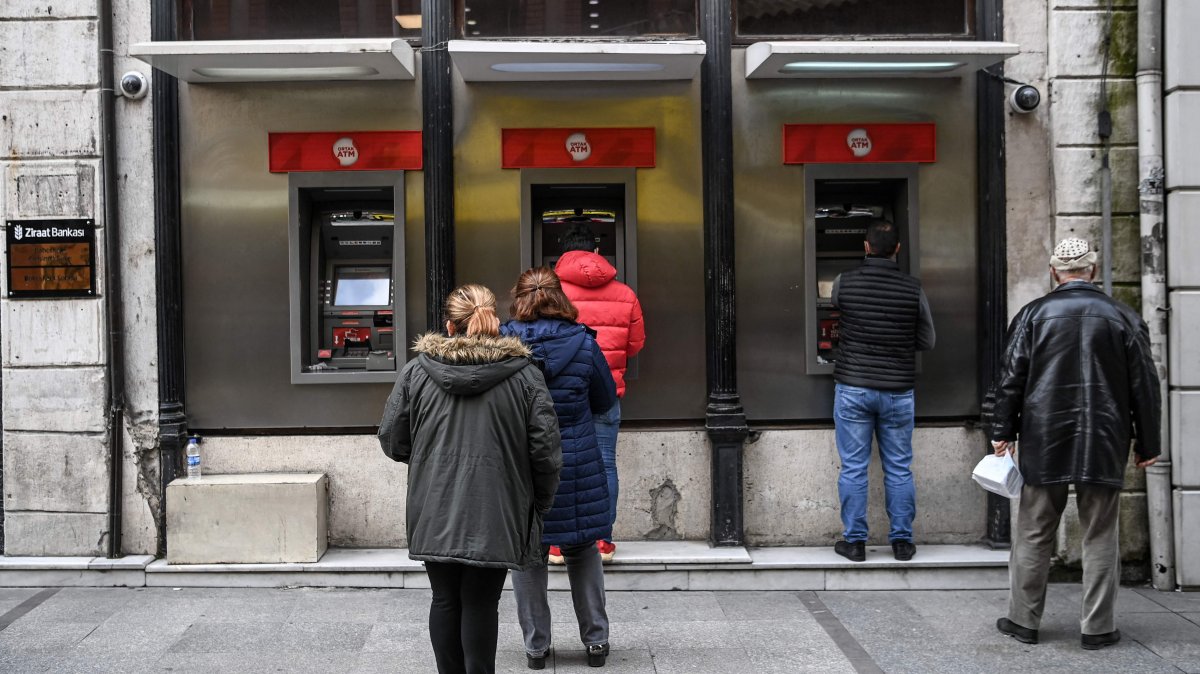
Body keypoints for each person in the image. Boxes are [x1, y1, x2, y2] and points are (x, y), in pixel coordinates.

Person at [377, 284, 563, 674]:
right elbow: (545, 451)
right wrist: (539, 503)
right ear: (495, 321)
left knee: (444, 599)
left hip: (434, 503)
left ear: (450, 325)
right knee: (481, 603)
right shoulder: (526, 376)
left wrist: (429, 461)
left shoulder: (417, 372)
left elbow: (393, 438)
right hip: (497, 507)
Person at [990, 237, 1161, 650]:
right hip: (1104, 438)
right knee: (1100, 533)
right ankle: (1098, 628)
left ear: (1054, 272)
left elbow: (1009, 379)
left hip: (1044, 438)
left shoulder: (1034, 314)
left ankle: (1023, 622)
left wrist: (1002, 431)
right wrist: (1148, 442)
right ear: (1093, 271)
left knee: (1033, 531)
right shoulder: (1122, 316)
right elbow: (1145, 386)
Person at [501, 267, 618, 669]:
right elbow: (604, 401)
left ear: (518, 299)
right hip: (574, 459)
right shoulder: (584, 344)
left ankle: (536, 647)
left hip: (521, 461)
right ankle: (596, 642)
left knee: (528, 551)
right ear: (560, 297)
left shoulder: (502, 343)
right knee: (582, 545)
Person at [830, 219, 935, 563]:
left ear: (865, 246)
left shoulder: (844, 282)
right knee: (900, 467)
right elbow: (927, 340)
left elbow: (836, 318)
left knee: (854, 467)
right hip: (897, 391)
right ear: (897, 249)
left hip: (854, 388)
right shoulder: (913, 288)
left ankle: (855, 542)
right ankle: (902, 542)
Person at [554, 221, 646, 563]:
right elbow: (635, 344)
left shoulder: (551, 292)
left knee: (560, 463)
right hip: (607, 393)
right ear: (596, 252)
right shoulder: (625, 293)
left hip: (562, 392)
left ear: (562, 255)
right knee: (605, 464)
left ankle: (558, 544)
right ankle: (602, 542)